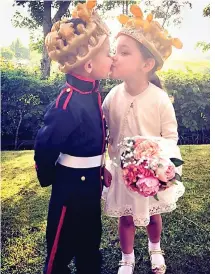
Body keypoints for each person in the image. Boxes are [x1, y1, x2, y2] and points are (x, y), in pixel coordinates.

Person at [102, 4, 185, 274]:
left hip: (149, 175)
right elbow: (105, 134)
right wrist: (105, 163)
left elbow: (170, 135)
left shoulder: (159, 98)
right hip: (120, 173)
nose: (115, 57)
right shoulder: (112, 96)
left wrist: (163, 167)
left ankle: (155, 248)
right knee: (125, 217)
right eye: (115, 50)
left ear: (146, 64)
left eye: (124, 52)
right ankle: (127, 259)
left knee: (152, 215)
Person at [34, 1, 112, 273]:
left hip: (89, 185)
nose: (112, 59)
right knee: (61, 246)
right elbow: (46, 143)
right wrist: (50, 176)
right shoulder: (68, 102)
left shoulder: (91, 93)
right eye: (109, 54)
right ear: (89, 65)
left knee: (90, 241)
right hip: (70, 188)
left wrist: (101, 169)